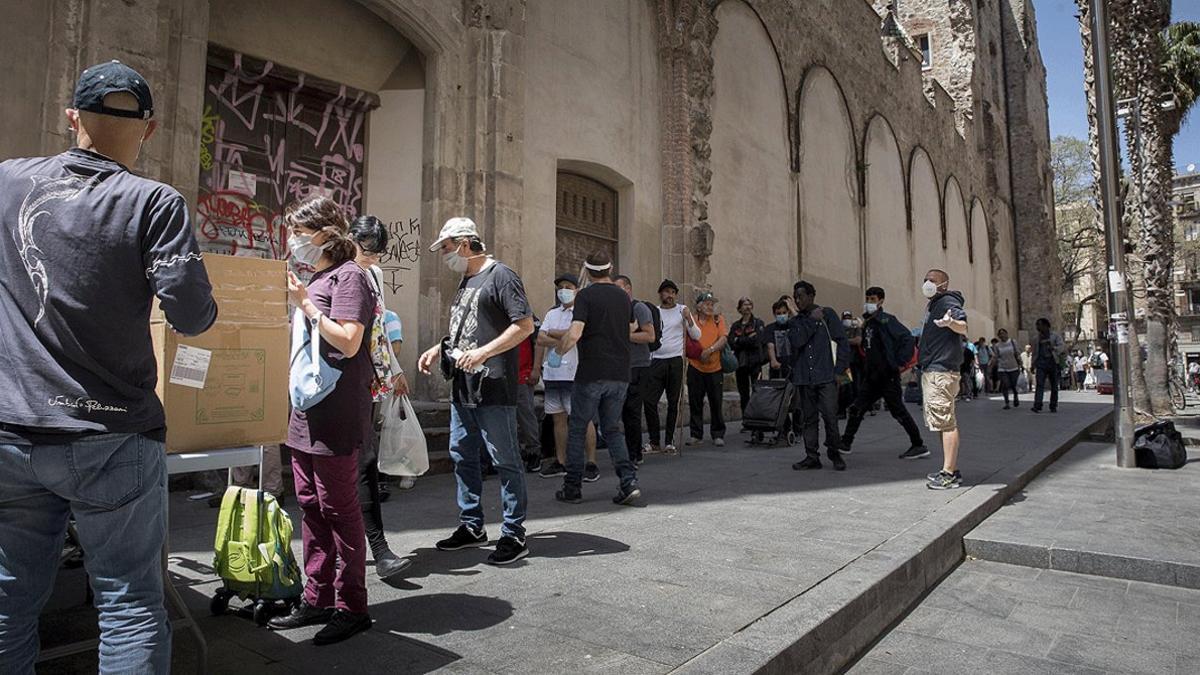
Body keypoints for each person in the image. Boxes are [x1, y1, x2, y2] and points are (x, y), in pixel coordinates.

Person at [0, 61, 217, 672]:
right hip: (112, 432)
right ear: (147, 130)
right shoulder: (153, 202)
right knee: (129, 603)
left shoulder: (8, 182)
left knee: (9, 598)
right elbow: (193, 316)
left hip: (14, 428)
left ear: (72, 118)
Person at [269, 196, 376, 644]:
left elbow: (350, 342)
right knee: (310, 506)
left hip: (335, 410)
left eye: (300, 232)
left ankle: (352, 606)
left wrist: (308, 307)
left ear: (326, 232)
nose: (294, 241)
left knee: (339, 508)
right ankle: (318, 597)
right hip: (306, 409)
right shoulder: (319, 276)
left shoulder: (351, 276)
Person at [417, 217, 534, 565]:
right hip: (463, 386)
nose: (446, 256)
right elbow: (467, 328)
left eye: (448, 249)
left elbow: (524, 326)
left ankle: (514, 533)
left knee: (506, 460)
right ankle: (472, 525)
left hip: (494, 386)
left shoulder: (502, 276)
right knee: (462, 454)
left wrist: (485, 352)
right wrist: (440, 349)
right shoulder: (466, 280)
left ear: (465, 244)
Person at [347, 215, 410, 580]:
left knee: (365, 459)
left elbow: (380, 325)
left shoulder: (373, 275)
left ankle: (380, 548)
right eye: (366, 250)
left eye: (376, 253)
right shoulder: (332, 269)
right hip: (331, 379)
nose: (371, 258)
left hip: (366, 378)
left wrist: (394, 368)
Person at [553, 251, 642, 505]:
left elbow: (575, 333)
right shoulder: (623, 297)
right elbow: (633, 327)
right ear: (609, 268)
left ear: (587, 270)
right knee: (613, 428)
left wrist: (558, 352)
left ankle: (572, 487)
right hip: (620, 373)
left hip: (592, 372)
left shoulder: (585, 296)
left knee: (578, 428)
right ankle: (628, 482)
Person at [840, 287, 927, 459]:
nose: (869, 302)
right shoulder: (869, 323)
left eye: (873, 299)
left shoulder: (887, 320)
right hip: (872, 376)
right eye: (868, 299)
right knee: (857, 408)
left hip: (887, 375)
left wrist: (898, 362)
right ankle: (846, 442)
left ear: (880, 301)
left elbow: (907, 338)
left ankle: (918, 444)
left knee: (898, 411)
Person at [535, 274, 598, 480]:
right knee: (558, 418)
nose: (563, 290)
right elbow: (541, 338)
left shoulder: (582, 312)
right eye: (560, 287)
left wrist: (555, 333)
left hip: (575, 373)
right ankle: (561, 461)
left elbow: (578, 334)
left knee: (582, 418)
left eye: (568, 286)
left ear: (577, 290)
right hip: (554, 373)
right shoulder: (552, 313)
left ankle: (590, 462)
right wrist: (562, 336)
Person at [788, 281, 849, 471]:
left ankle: (834, 451)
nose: (798, 301)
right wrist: (810, 320)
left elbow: (842, 342)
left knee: (830, 416)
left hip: (826, 376)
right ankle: (811, 456)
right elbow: (797, 341)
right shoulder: (796, 321)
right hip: (805, 377)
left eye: (801, 296)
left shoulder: (827, 314)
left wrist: (839, 370)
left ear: (811, 296)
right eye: (796, 297)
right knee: (809, 418)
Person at [918, 269, 969, 490]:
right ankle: (949, 468)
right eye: (926, 280)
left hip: (941, 372)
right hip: (935, 370)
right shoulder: (935, 304)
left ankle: (949, 474)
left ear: (944, 284)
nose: (928, 283)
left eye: (933, 280)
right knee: (941, 422)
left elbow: (963, 325)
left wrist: (951, 323)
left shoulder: (947, 301)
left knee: (946, 422)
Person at [642, 279, 699, 455]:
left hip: (675, 360)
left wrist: (689, 319)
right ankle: (654, 441)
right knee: (650, 400)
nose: (670, 295)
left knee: (674, 401)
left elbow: (696, 335)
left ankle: (669, 441)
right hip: (656, 359)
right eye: (667, 292)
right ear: (661, 294)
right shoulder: (655, 312)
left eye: (673, 292)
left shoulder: (682, 311)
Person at [615, 275, 657, 465]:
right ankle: (627, 451)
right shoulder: (614, 310)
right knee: (621, 411)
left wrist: (626, 335)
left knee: (632, 410)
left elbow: (650, 336)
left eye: (619, 288)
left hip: (638, 366)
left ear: (629, 289)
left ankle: (634, 454)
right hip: (619, 367)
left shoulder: (639, 308)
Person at [686, 291, 729, 447]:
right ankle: (696, 434)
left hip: (714, 368)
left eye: (712, 304)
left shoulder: (718, 320)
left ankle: (718, 433)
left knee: (716, 402)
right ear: (699, 306)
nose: (711, 307)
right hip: (695, 367)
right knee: (695, 401)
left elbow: (723, 339)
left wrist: (709, 350)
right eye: (707, 304)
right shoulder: (692, 320)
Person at [515, 319, 544, 473]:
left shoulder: (529, 318)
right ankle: (514, 453)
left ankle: (533, 452)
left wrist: (536, 369)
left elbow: (539, 343)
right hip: (503, 376)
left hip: (523, 375)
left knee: (526, 416)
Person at [729, 297, 766, 417]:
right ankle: (746, 418)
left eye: (749, 304)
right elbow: (731, 342)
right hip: (741, 363)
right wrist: (746, 339)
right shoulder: (736, 326)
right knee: (743, 393)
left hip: (755, 362)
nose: (747, 307)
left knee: (757, 391)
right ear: (740, 308)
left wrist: (739, 340)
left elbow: (757, 341)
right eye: (744, 305)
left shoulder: (758, 323)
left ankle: (758, 417)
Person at [1030, 318, 1066, 414]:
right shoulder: (1036, 339)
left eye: (1040, 325)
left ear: (1046, 326)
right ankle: (1037, 405)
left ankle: (1053, 405)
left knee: (1054, 385)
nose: (1038, 327)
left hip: (1053, 362)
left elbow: (1062, 347)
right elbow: (1034, 353)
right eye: (1037, 325)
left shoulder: (1055, 336)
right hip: (1041, 363)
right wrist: (1032, 364)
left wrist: (1053, 348)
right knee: (1039, 384)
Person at [766, 297, 795, 379]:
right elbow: (770, 345)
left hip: (793, 365)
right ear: (774, 314)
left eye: (784, 312)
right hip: (778, 366)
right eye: (778, 313)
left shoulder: (794, 326)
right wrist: (773, 360)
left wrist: (792, 310)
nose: (782, 315)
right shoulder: (770, 328)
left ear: (788, 312)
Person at [993, 328, 1022, 409]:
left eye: (1003, 333)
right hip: (1002, 368)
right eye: (1000, 334)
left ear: (1007, 334)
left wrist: (1020, 362)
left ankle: (1015, 395)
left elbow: (1017, 353)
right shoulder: (997, 345)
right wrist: (991, 366)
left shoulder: (1012, 342)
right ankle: (1007, 403)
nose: (1002, 335)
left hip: (1013, 367)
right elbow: (996, 356)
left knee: (1013, 384)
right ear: (998, 336)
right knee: (1005, 384)